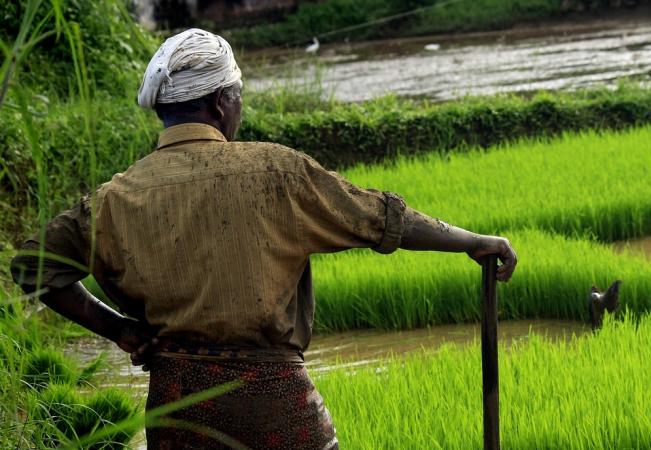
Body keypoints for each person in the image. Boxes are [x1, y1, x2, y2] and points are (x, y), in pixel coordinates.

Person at [10, 28, 517, 449]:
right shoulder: (275, 171)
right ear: (220, 101)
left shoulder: (114, 198)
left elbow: (32, 265)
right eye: (238, 96)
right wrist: (474, 240)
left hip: (176, 410)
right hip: (274, 405)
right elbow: (382, 218)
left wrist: (120, 329)